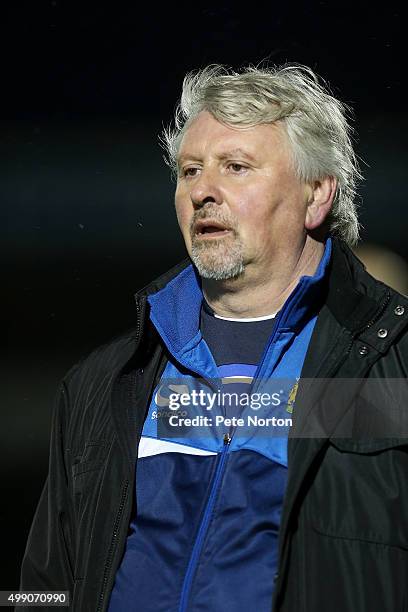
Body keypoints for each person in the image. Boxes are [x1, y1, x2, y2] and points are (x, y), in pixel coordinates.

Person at [20, 64, 408, 612]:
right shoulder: (102, 383)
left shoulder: (392, 369)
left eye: (235, 167)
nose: (203, 190)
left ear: (317, 195)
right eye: (190, 170)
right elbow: (45, 587)